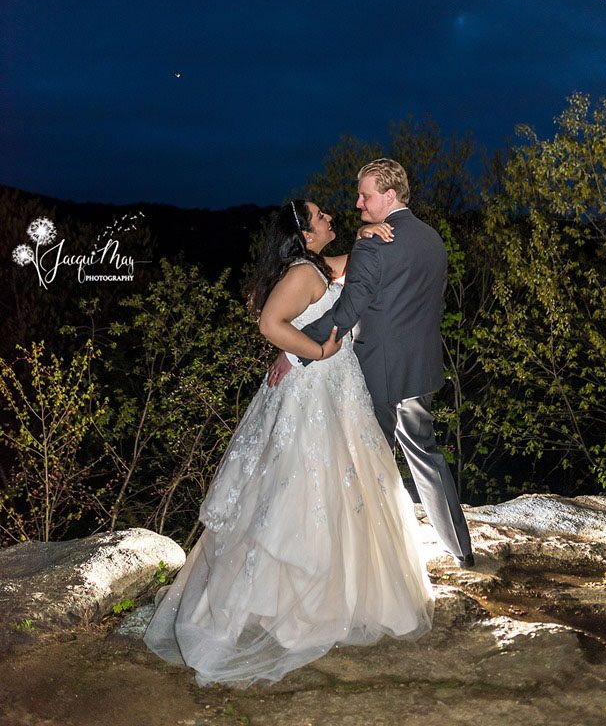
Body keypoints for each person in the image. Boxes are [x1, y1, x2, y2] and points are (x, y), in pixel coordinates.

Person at [143, 199, 435, 688]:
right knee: (300, 485)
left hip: (338, 388)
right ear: (302, 234)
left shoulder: (317, 264)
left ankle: (341, 589)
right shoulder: (301, 274)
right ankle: (295, 599)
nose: (330, 220)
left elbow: (349, 266)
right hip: (313, 389)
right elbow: (270, 325)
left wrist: (369, 234)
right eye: (320, 218)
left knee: (347, 482)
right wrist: (316, 350)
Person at [269, 160, 474, 568]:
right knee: (425, 453)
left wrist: (294, 351)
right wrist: (363, 238)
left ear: (389, 196)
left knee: (366, 464)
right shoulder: (432, 238)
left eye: (365, 196)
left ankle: (369, 563)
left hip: (378, 369)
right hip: (422, 367)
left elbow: (344, 315)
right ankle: (461, 549)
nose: (358, 203)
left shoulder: (374, 245)